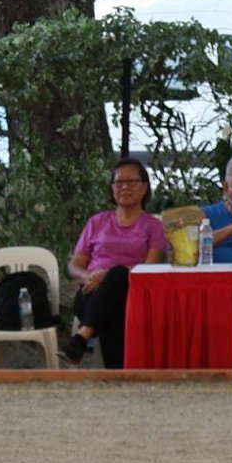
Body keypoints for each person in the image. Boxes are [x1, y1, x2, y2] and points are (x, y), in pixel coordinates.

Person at [64, 158, 168, 369]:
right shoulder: (97, 222)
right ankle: (120, 378)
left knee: (119, 278)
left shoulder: (154, 226)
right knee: (116, 304)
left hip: (134, 295)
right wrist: (90, 277)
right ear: (112, 189)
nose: (125, 187)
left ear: (145, 187)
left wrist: (108, 276)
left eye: (131, 181)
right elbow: (74, 266)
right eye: (119, 182)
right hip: (90, 294)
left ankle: (82, 337)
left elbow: (150, 268)